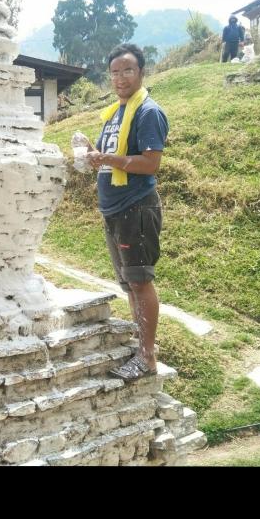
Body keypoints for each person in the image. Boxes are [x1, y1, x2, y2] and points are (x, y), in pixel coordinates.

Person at [86, 44, 169, 380]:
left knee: (141, 281)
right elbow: (108, 156)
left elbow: (151, 162)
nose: (120, 78)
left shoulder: (148, 113)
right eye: (115, 72)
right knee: (131, 284)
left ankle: (147, 357)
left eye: (128, 70)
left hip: (136, 208)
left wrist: (107, 159)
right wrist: (91, 154)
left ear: (141, 73)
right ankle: (142, 347)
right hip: (114, 210)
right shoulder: (115, 114)